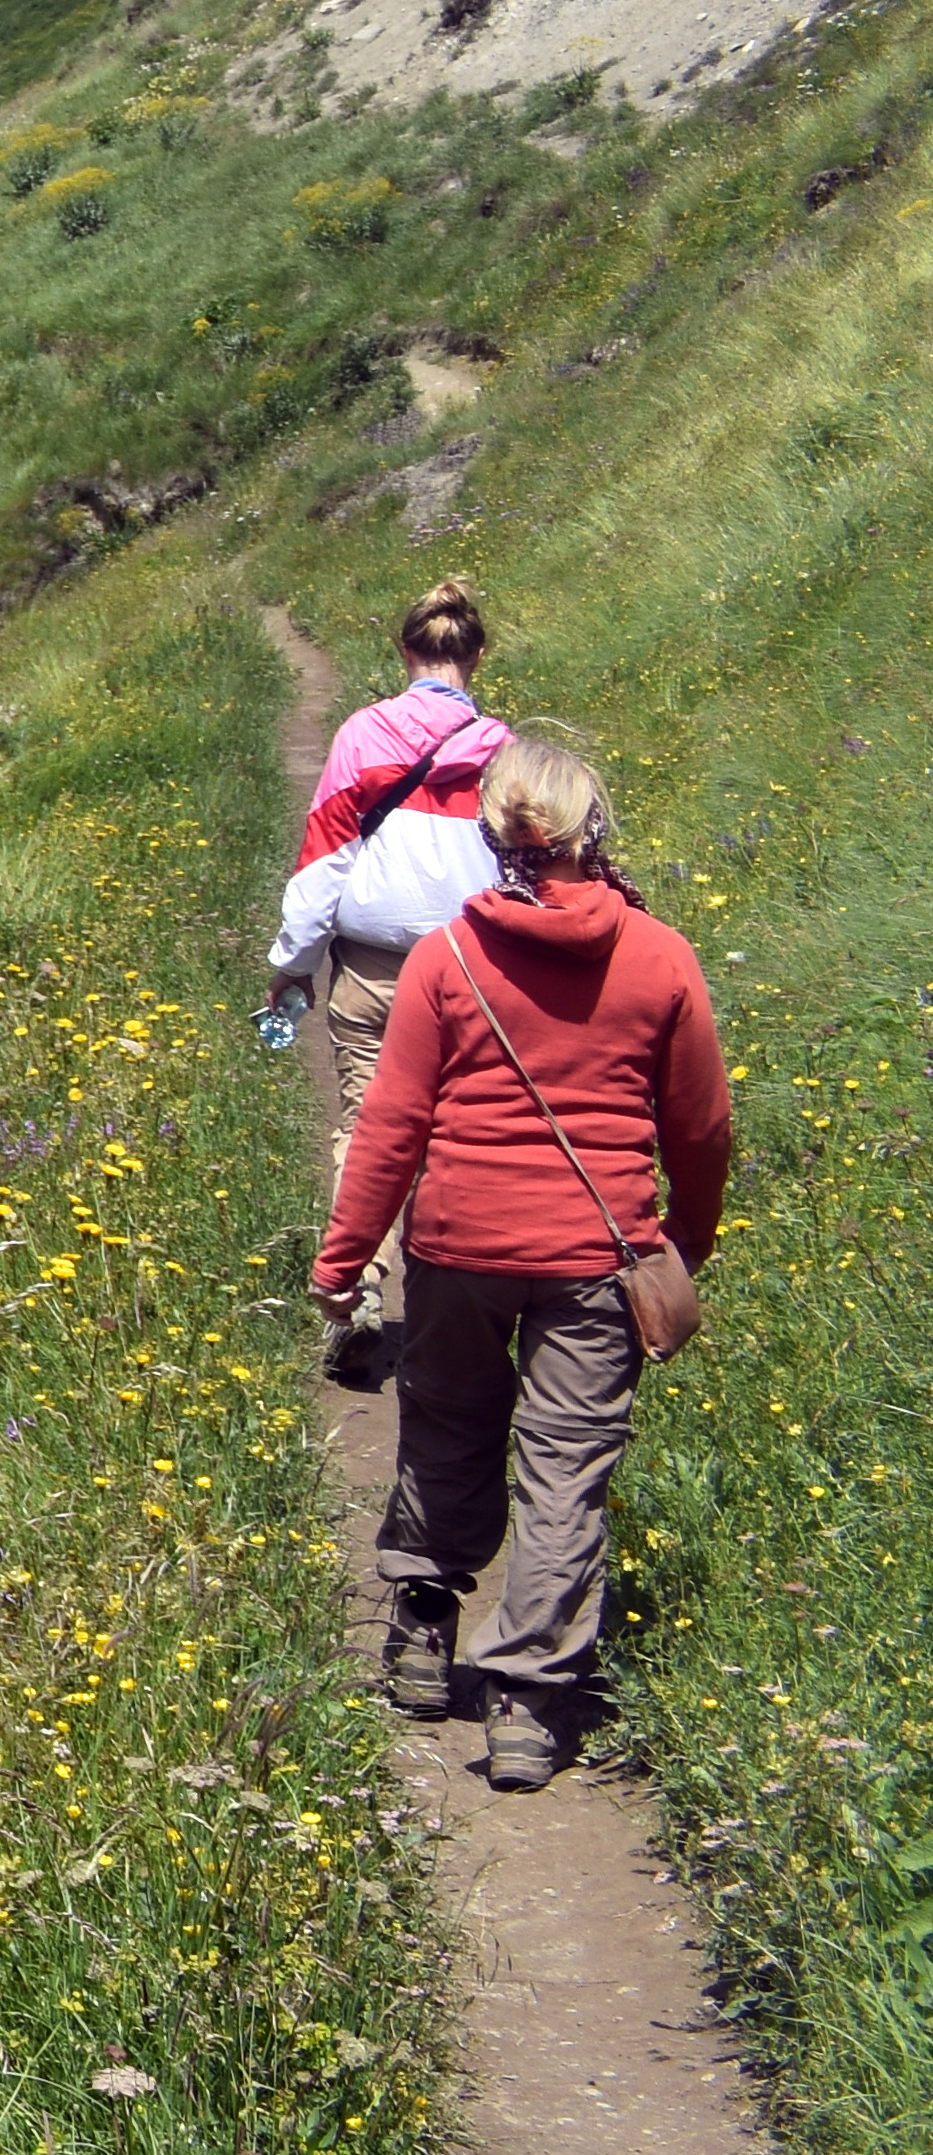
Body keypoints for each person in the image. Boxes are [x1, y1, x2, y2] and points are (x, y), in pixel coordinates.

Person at [314, 730, 728, 1790]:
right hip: (599, 1255)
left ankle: (419, 1626)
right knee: (562, 1474)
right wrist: (684, 1241)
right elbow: (701, 1128)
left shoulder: (448, 956)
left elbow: (392, 1127)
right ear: (593, 830)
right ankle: (525, 1708)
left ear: (497, 834)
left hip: (456, 1245)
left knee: (447, 1429)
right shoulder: (661, 955)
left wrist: (344, 1260)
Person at [270, 582, 510, 1384]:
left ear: (406, 652)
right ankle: (457, 1309)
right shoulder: (506, 751)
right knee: (465, 1132)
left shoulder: (364, 735)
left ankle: (360, 1292)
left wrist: (293, 964)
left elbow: (326, 858)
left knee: (370, 1129)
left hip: (373, 970)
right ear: (476, 656)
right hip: (477, 971)